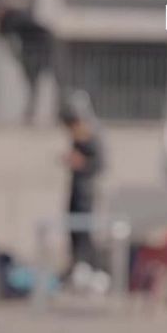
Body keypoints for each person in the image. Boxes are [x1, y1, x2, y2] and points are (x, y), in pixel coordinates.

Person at [60, 91, 107, 281]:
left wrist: (80, 162)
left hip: (86, 193)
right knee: (74, 231)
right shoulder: (78, 136)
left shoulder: (93, 135)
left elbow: (99, 164)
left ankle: (91, 269)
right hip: (76, 190)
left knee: (85, 233)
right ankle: (78, 268)